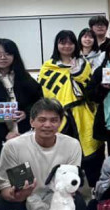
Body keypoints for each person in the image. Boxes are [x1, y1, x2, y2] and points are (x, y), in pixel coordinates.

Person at [0, 99, 85, 210]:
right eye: (42, 120)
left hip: (56, 195)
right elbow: (5, 187)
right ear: (32, 121)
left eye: (54, 120)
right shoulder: (14, 146)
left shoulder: (72, 145)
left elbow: (71, 182)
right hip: (25, 196)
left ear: (60, 122)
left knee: (79, 206)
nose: (47, 125)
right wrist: (17, 195)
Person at [0, 38, 43, 186]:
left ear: (14, 55)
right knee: (4, 180)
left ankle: (24, 198)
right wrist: (5, 134)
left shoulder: (25, 79)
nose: (2, 57)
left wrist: (27, 112)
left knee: (25, 179)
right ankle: (6, 199)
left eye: (7, 53)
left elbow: (38, 102)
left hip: (25, 134)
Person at [38, 30, 102, 186]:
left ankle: (93, 187)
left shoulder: (83, 64)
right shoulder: (49, 66)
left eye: (70, 42)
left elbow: (90, 88)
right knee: (62, 153)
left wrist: (77, 73)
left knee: (90, 151)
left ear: (75, 44)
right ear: (57, 45)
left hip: (83, 113)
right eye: (62, 42)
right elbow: (45, 92)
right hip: (59, 115)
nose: (67, 46)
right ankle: (65, 186)